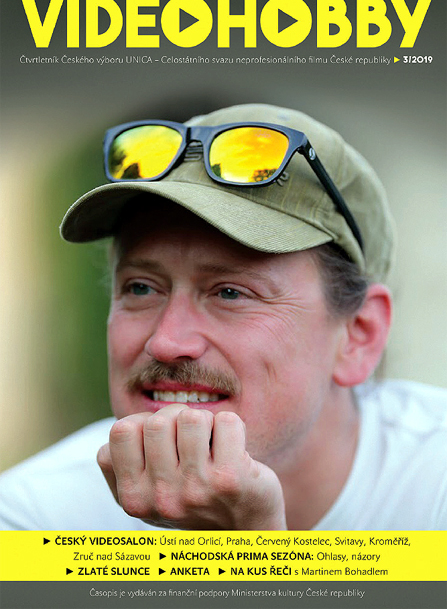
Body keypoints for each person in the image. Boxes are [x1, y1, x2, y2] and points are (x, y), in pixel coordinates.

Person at [0, 104, 445, 531]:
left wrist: (245, 546)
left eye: (230, 293)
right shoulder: (35, 517)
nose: (167, 342)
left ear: (358, 335)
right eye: (140, 288)